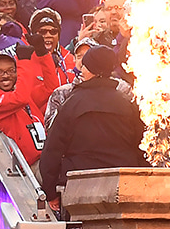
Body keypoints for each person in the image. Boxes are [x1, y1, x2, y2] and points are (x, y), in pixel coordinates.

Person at [39, 44, 143, 210]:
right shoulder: (127, 103)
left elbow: (53, 149)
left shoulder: (72, 103)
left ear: (92, 70)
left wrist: (50, 191)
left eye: (85, 66)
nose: (82, 70)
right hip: (123, 183)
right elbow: (140, 145)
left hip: (81, 184)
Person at [0, 49, 43, 165]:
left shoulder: (23, 92)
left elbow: (50, 88)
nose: (6, 76)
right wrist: (23, 61)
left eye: (11, 71)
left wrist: (43, 54)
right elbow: (21, 98)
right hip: (32, 166)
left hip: (49, 157)